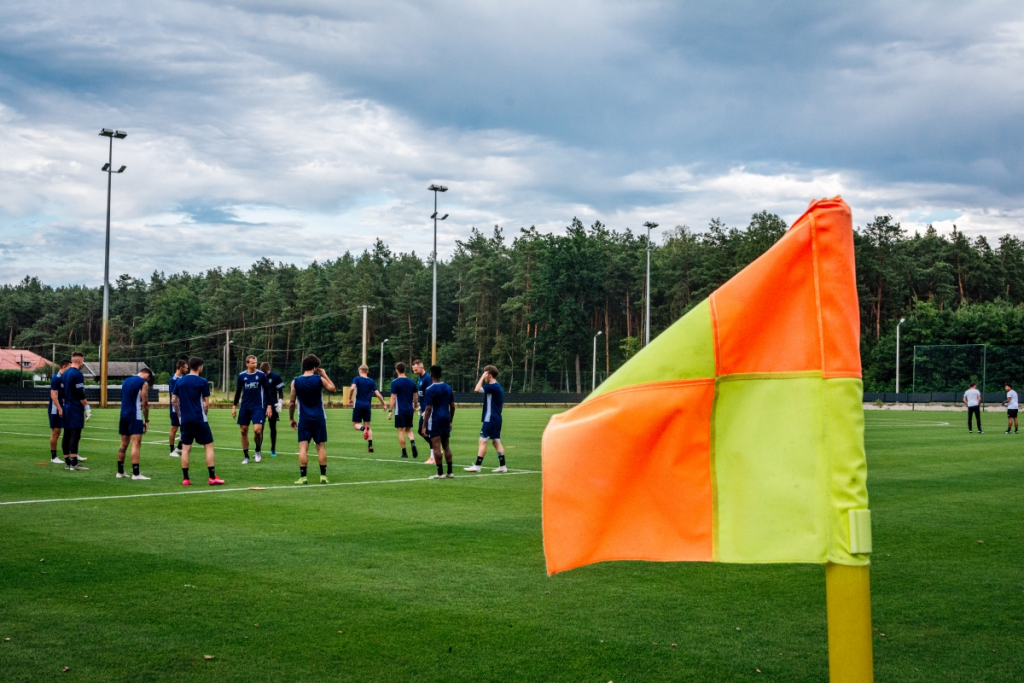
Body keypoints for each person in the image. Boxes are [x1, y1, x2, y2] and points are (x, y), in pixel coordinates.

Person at [172, 357, 224, 486]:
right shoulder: (202, 382)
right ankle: (212, 477)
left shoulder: (180, 381)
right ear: (200, 367)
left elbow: (174, 400)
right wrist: (204, 415)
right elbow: (206, 403)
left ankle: (186, 479)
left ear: (189, 366)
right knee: (209, 446)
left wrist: (179, 416)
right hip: (199, 419)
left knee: (185, 449)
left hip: (185, 420)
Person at [289, 354, 336, 484]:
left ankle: (303, 478)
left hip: (303, 418)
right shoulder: (319, 379)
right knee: (321, 447)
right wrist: (324, 374)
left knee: (303, 448)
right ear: (315, 367)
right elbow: (333, 389)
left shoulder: (296, 381)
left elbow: (292, 402)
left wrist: (291, 418)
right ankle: (323, 477)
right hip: (319, 418)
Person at [465, 365, 507, 473]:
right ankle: (503, 466)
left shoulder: (493, 386)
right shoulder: (497, 386)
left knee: (482, 441)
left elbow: (477, 389)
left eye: (485, 373)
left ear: (489, 374)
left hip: (491, 418)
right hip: (496, 418)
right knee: (496, 442)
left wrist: (482, 377)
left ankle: (477, 466)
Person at [232, 355, 271, 464]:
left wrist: (269, 406)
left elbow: (268, 392)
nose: (255, 365)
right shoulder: (241, 376)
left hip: (258, 407)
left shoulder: (261, 375)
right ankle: (246, 456)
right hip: (245, 407)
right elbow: (238, 392)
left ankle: (258, 450)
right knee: (243, 431)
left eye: (256, 363)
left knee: (257, 431)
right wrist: (234, 406)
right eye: (252, 363)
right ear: (247, 364)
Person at [116, 368, 153, 480]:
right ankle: (136, 474)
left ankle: (120, 472)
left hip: (123, 415)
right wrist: (146, 420)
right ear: (147, 375)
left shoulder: (126, 381)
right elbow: (144, 402)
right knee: (136, 444)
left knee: (123, 444)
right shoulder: (143, 382)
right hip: (135, 415)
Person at [422, 365, 456, 479]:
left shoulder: (430, 389)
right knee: (446, 445)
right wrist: (450, 421)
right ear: (441, 375)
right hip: (446, 418)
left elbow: (428, 409)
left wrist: (424, 425)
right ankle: (450, 472)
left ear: (431, 375)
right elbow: (452, 406)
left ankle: (440, 473)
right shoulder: (447, 387)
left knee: (436, 446)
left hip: (435, 419)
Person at [61, 351, 90, 470]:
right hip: (74, 407)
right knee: (75, 434)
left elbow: (62, 393)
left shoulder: (65, 373)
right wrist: (86, 407)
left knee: (66, 434)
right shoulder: (77, 374)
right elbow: (80, 393)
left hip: (66, 405)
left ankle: (68, 462)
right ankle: (74, 463)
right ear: (80, 361)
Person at [350, 364, 386, 453]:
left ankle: (363, 429)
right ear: (367, 371)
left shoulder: (357, 379)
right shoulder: (371, 381)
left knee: (355, 425)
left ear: (360, 371)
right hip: (367, 406)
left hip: (358, 404)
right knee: (368, 426)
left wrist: (350, 398)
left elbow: (352, 388)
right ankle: (370, 445)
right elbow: (377, 394)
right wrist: (384, 403)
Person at [387, 362, 419, 458]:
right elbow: (416, 397)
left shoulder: (395, 382)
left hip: (400, 410)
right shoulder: (411, 382)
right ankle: (412, 442)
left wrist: (390, 411)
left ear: (397, 370)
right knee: (408, 429)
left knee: (400, 430)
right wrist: (415, 406)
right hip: (409, 409)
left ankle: (404, 453)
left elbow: (393, 397)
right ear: (404, 370)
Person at [260, 361, 286, 457]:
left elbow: (281, 391)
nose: (264, 375)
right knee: (260, 428)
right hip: (262, 405)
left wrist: (280, 402)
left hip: (273, 405)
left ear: (268, 370)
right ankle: (258, 450)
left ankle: (273, 450)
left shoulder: (275, 376)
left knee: (272, 428)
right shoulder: (260, 376)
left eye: (265, 373)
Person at [48, 359, 71, 464]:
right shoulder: (57, 378)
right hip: (55, 409)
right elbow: (53, 395)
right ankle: (53, 457)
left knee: (68, 431)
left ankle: (72, 453)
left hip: (62, 407)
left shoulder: (63, 378)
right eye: (69, 368)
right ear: (64, 367)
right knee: (56, 432)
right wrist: (59, 408)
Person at [412, 359, 434, 464]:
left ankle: (433, 456)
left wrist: (427, 408)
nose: (414, 372)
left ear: (421, 367)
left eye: (416, 370)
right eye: (413, 370)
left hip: (429, 409)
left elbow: (431, 394)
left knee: (426, 431)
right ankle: (436, 450)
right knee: (421, 431)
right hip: (424, 408)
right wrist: (421, 406)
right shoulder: (420, 378)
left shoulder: (427, 378)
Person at [167, 359, 187, 457]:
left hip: (185, 408)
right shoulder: (173, 380)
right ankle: (171, 450)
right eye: (185, 367)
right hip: (175, 409)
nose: (187, 369)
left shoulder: (185, 378)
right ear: (180, 368)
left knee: (185, 428)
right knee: (174, 428)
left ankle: (179, 447)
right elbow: (173, 396)